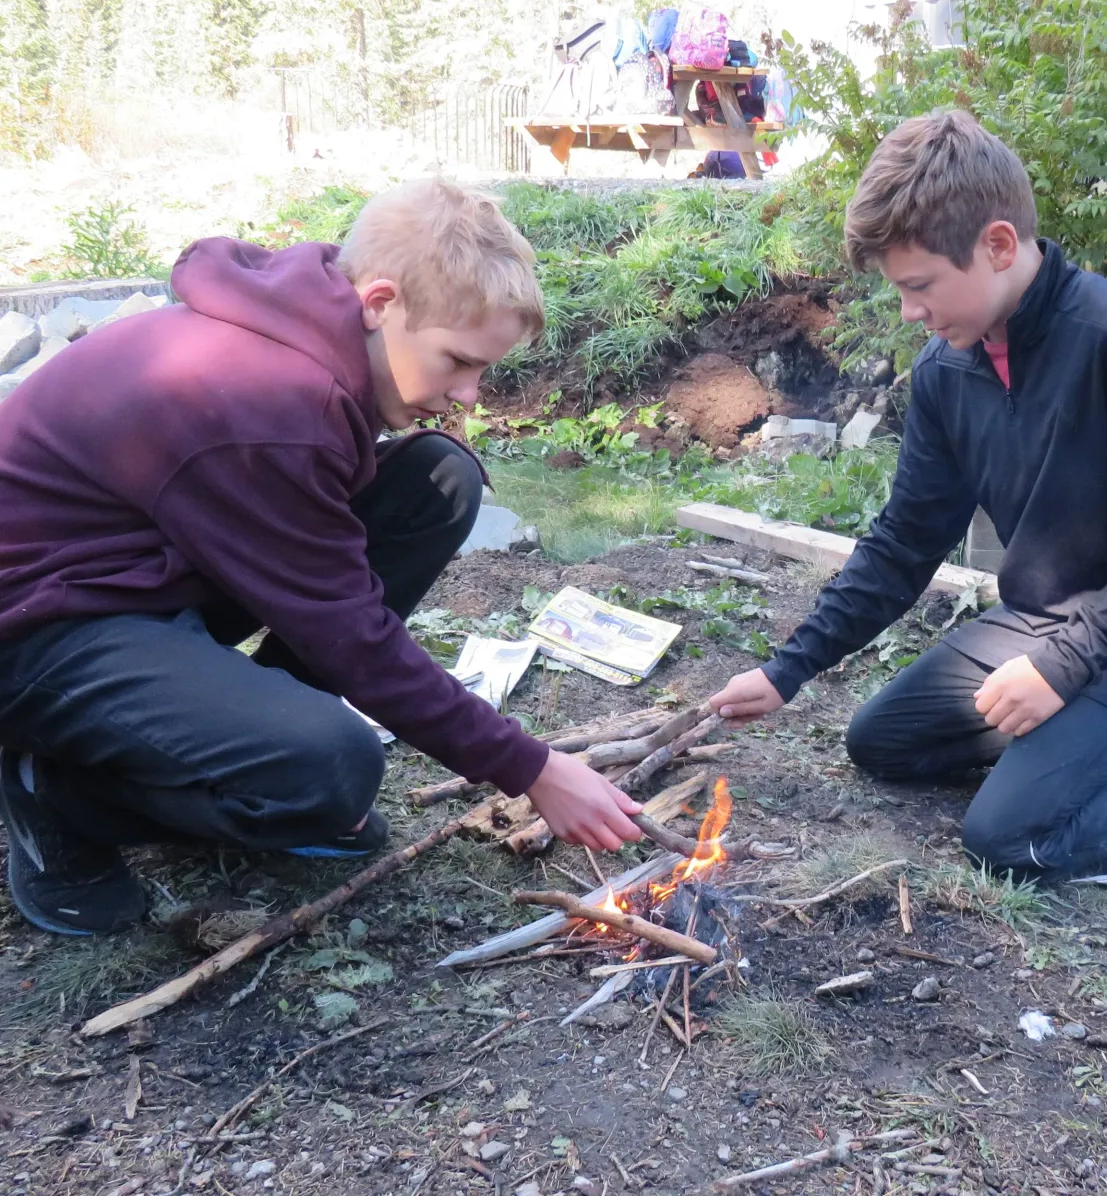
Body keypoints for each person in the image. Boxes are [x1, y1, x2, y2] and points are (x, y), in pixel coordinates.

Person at [0, 180, 643, 936]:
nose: (469, 394)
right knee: (329, 771)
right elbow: (351, 633)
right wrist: (530, 768)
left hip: (136, 572)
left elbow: (326, 584)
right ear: (379, 301)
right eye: (458, 361)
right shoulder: (270, 402)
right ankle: (57, 795)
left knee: (439, 478)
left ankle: (239, 742)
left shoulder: (304, 330)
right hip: (39, 628)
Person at [709, 110, 1107, 882]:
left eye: (920, 286)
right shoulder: (948, 371)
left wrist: (1064, 669)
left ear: (998, 246)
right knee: (882, 743)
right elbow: (906, 540)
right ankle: (1089, 737)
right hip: (1042, 621)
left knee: (1006, 845)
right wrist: (787, 669)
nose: (911, 311)